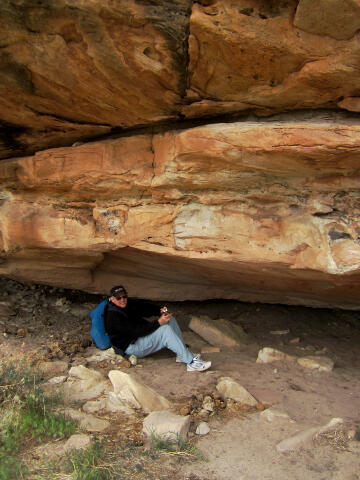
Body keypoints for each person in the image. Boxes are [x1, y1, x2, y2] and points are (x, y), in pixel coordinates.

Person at [104, 285, 211, 372]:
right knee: (165, 330)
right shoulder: (113, 316)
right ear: (112, 299)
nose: (122, 300)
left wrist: (159, 310)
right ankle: (191, 363)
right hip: (132, 347)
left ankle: (181, 353)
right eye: (119, 298)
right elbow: (137, 331)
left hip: (138, 338)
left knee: (169, 319)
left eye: (124, 296)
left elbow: (143, 308)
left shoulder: (126, 305)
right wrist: (159, 322)